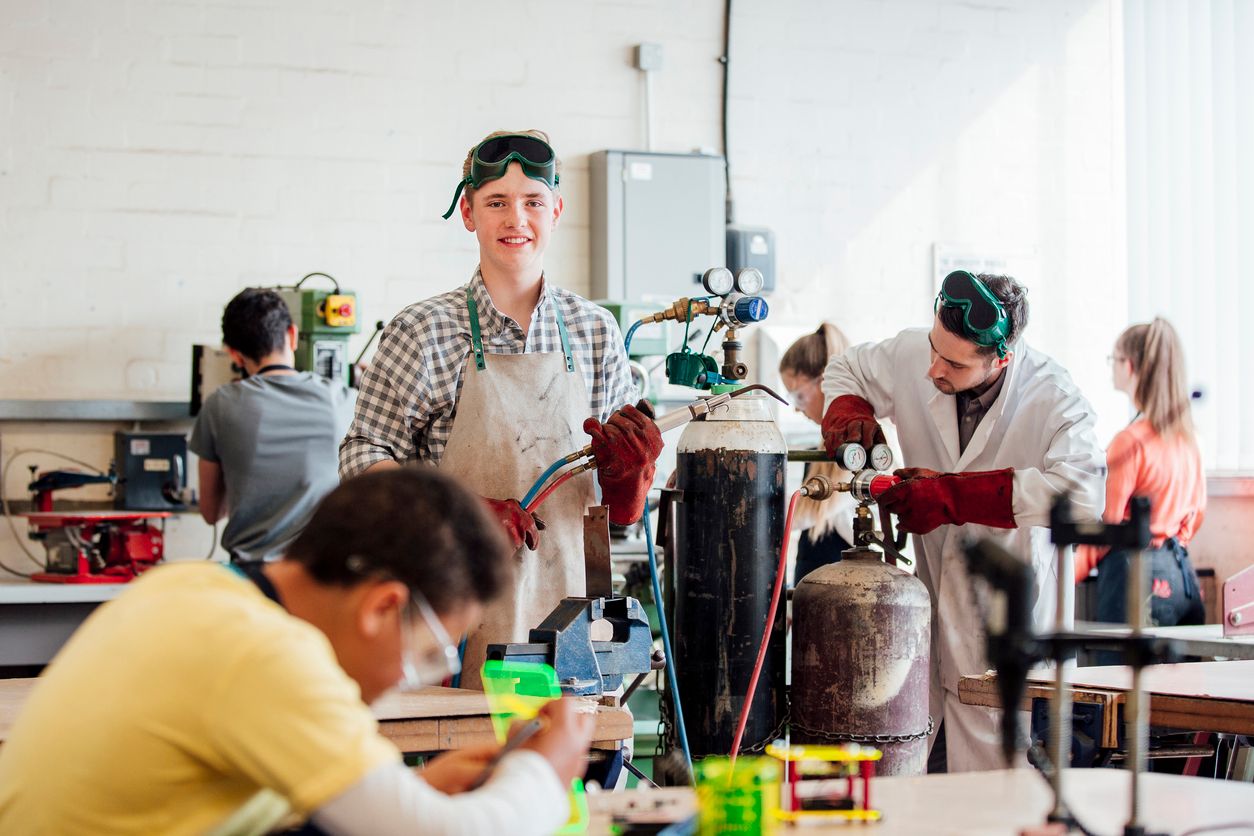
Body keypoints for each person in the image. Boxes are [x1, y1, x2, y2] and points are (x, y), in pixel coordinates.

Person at [0, 467, 594, 835]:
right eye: (433, 652)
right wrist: (547, 769)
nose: (413, 679)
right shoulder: (266, 655)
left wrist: (409, 796)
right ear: (383, 607)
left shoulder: (196, 588)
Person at [340, 130, 661, 689]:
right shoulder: (422, 331)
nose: (517, 218)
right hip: (453, 616)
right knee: (471, 769)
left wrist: (630, 477)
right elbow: (360, 457)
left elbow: (617, 509)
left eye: (533, 201)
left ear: (556, 209)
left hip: (574, 630)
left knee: (575, 773)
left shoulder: (594, 332)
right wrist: (457, 512)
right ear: (468, 212)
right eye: (496, 202)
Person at [821, 270, 1105, 773]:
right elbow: (847, 369)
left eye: (952, 361)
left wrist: (952, 497)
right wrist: (848, 416)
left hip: (1007, 626)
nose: (932, 369)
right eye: (934, 348)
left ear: (1001, 358)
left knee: (995, 798)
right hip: (926, 616)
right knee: (905, 776)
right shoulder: (916, 355)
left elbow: (1084, 495)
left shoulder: (1053, 397)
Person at [191, 288, 352, 563]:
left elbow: (211, 512)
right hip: (322, 575)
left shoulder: (220, 405)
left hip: (254, 576)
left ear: (235, 355)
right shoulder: (343, 400)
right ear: (292, 335)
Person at [1075, 318, 1205, 638]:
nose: (1112, 368)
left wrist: (1064, 578)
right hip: (1182, 580)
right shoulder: (1187, 438)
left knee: (1119, 684)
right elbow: (1195, 516)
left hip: (1136, 580)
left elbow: (1108, 528)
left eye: (1113, 360)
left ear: (1129, 365)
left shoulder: (1131, 442)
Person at [778, 323, 858, 584]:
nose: (798, 410)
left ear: (824, 382)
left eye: (799, 396)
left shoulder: (856, 446)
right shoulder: (821, 450)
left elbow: (803, 514)